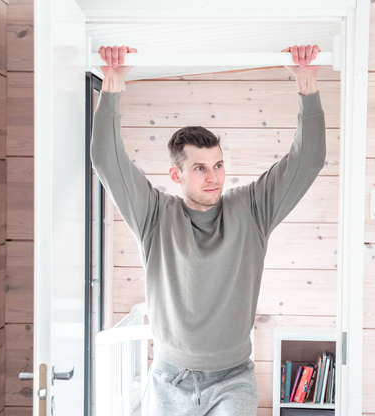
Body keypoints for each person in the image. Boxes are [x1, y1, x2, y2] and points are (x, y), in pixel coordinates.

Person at [91, 44, 326, 416]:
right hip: (169, 382)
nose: (214, 177)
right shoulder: (154, 215)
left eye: (217, 164)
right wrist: (112, 88)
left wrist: (307, 86)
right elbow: (107, 160)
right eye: (200, 168)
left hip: (232, 381)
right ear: (176, 174)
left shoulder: (251, 209)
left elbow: (308, 159)